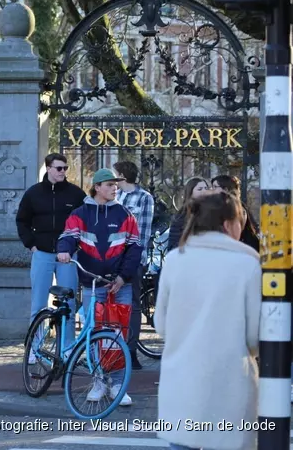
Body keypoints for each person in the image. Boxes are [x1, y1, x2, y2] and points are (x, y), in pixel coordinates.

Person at [154, 192, 260, 450]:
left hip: (180, 379)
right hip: (229, 380)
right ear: (227, 224)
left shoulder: (175, 260)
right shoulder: (247, 263)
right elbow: (255, 334)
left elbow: (161, 324)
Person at [57, 168, 142, 407]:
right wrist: (63, 250)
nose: (114, 188)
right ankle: (98, 381)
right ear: (96, 187)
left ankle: (117, 385)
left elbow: (134, 248)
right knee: (94, 333)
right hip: (92, 284)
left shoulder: (126, 214)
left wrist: (123, 278)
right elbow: (69, 236)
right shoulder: (79, 214)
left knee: (117, 335)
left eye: (116, 184)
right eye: (109, 184)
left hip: (119, 285)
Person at [16, 153, 86, 356]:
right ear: (48, 168)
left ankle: (67, 350)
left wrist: (76, 246)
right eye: (59, 168)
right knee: (38, 304)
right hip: (42, 253)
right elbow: (22, 220)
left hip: (68, 256)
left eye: (65, 168)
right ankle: (34, 349)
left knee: (69, 305)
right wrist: (31, 245)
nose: (63, 172)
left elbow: (85, 222)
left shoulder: (75, 194)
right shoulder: (33, 194)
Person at [114, 160, 154, 371]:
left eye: (115, 175)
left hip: (133, 258)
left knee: (133, 305)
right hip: (112, 258)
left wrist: (138, 258)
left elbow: (144, 232)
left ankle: (131, 350)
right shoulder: (114, 196)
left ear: (122, 175)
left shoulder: (144, 198)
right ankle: (111, 349)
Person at [211, 174, 259, 252]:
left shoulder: (237, 207)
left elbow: (235, 234)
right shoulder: (221, 206)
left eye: (215, 187)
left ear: (225, 189)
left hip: (243, 249)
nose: (212, 190)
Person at [165, 177, 212, 253]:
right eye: (200, 189)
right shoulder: (181, 216)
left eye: (206, 188)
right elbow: (173, 246)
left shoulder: (213, 212)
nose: (204, 191)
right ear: (190, 193)